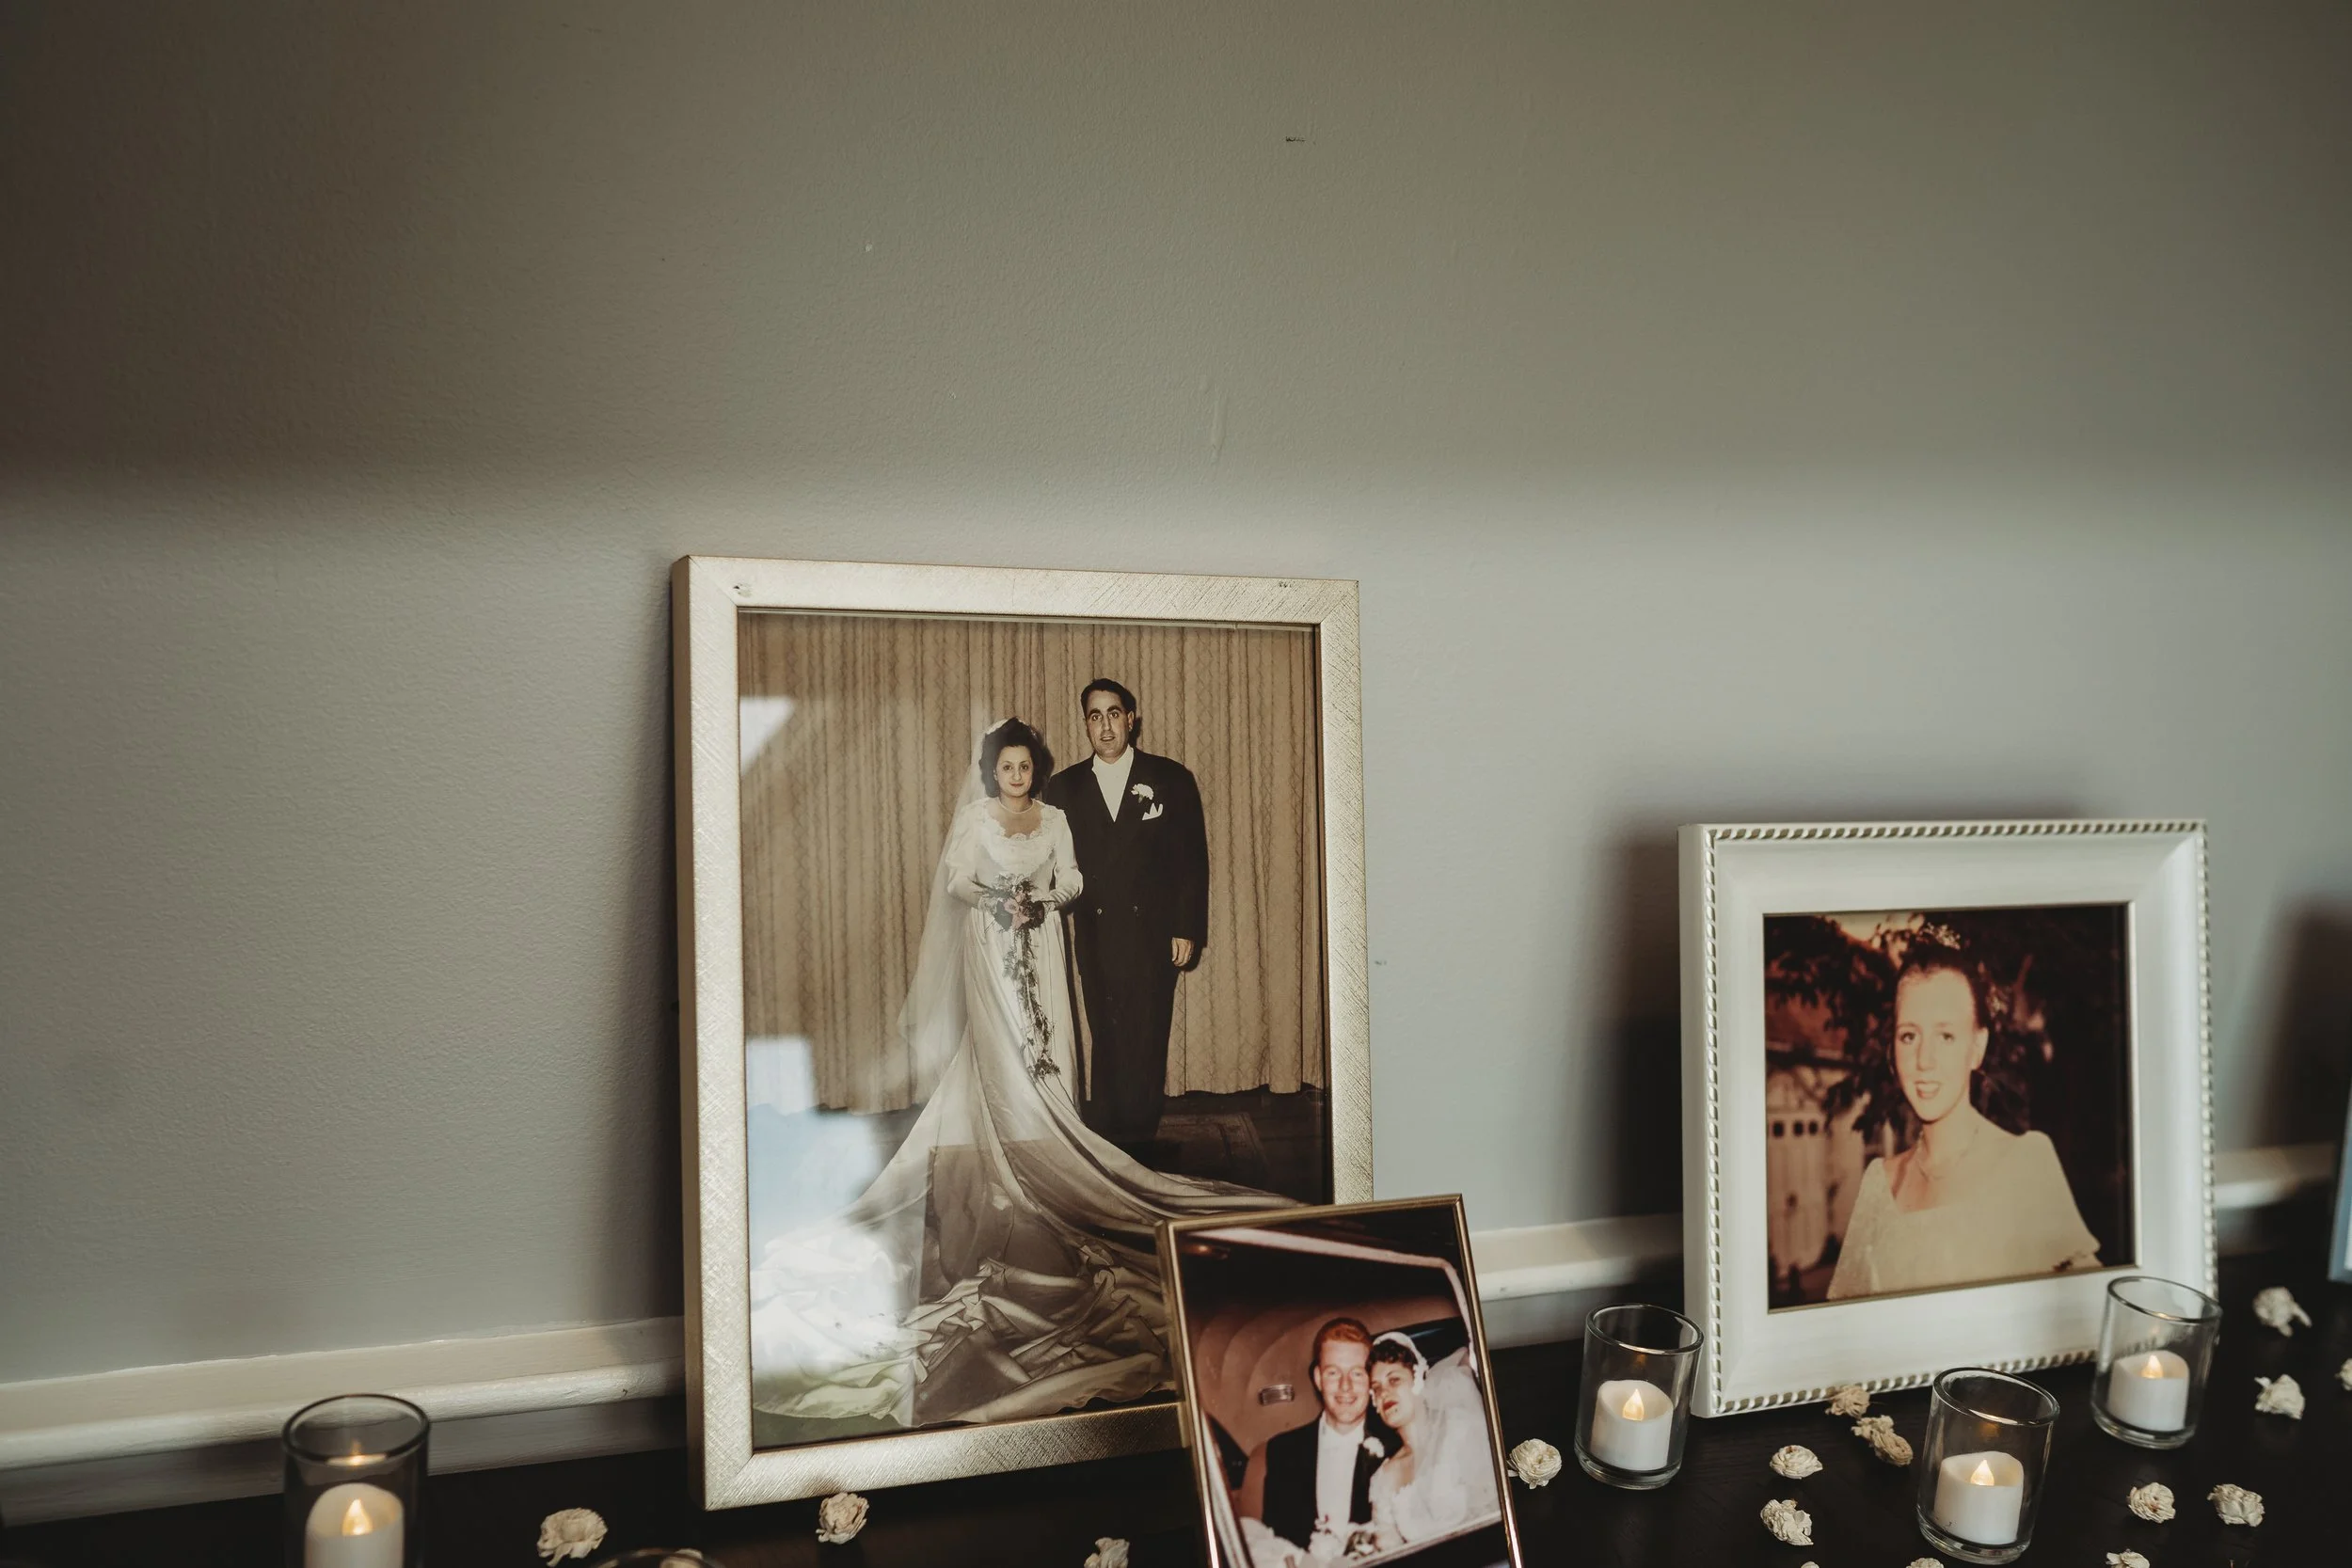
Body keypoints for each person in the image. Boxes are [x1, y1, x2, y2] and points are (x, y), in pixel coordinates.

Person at [746, 720, 1282, 1432]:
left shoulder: (1055, 817)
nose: (1017, 777)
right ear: (992, 771)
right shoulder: (975, 818)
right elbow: (958, 881)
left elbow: (1075, 878)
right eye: (1007, 767)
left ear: (1036, 769)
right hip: (992, 945)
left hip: (1042, 941)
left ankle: (1048, 1124)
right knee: (1003, 1043)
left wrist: (1045, 899)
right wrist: (998, 899)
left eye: (1026, 766)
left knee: (1050, 1041)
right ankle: (1010, 1124)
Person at [1825, 942, 2101, 1301]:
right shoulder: (1879, 1185)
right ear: (1892, 1049)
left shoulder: (2025, 1164)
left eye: (1946, 1036)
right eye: (1909, 1036)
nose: (1924, 1059)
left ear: (1977, 1047)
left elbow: (2090, 1315)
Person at [1041, 678, 1210, 1154]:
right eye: (1095, 716)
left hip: (1154, 933)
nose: (1106, 725)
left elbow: (1190, 860)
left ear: (1131, 719)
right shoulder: (1064, 787)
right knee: (1107, 1031)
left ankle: (1138, 1140)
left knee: (1148, 1033)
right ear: (1087, 725)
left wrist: (1187, 926)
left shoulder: (1171, 778)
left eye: (1114, 713)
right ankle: (1110, 1141)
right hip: (1094, 930)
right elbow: (1051, 860)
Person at [1254, 1319, 1397, 1556]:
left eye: (1357, 1373)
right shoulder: (1281, 1452)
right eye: (1333, 1373)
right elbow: (1274, 1546)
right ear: (1318, 1378)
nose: (1345, 1386)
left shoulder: (1395, 1448)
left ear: (1371, 1380)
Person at [1362, 1331, 1503, 1548]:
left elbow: (1498, 1513)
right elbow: (1388, 1548)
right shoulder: (1384, 1478)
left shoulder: (1460, 1430)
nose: (1384, 1394)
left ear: (1418, 1378)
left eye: (1394, 1380)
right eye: (1377, 1388)